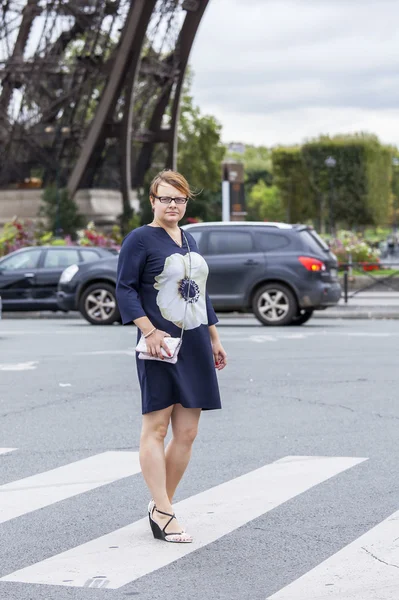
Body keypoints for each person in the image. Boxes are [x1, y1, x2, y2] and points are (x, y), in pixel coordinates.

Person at [116, 169, 227, 544]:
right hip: (158, 344)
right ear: (152, 201)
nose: (173, 205)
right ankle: (164, 511)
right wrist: (149, 331)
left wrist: (214, 337)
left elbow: (200, 293)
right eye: (166, 198)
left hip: (194, 343)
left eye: (179, 199)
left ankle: (160, 505)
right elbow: (125, 290)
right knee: (157, 427)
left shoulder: (188, 237)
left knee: (188, 432)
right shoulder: (139, 240)